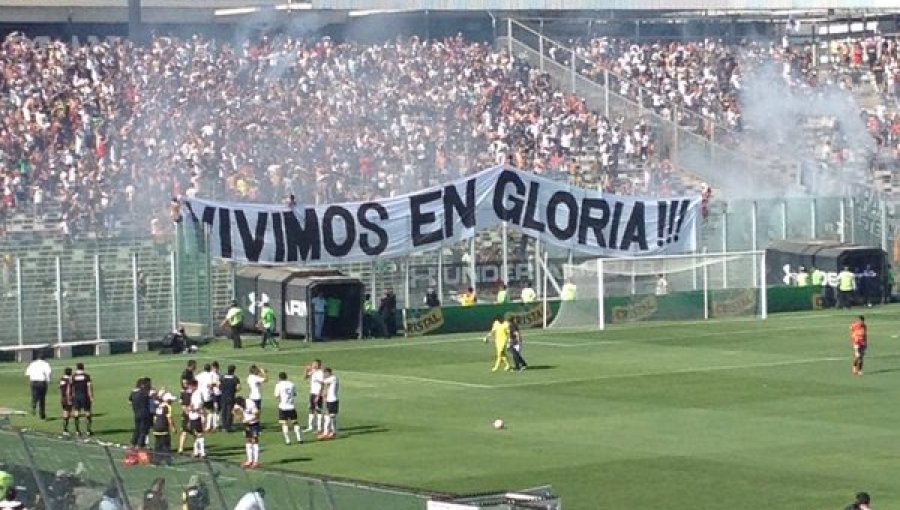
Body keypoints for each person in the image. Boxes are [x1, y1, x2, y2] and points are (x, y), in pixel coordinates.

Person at [274, 372, 302, 445]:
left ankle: (288, 441)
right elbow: (295, 394)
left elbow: (276, 396)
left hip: (283, 407)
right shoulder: (291, 384)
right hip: (291, 406)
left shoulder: (278, 385)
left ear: (279, 378)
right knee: (295, 422)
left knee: (284, 424)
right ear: (286, 377)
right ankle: (299, 439)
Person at [234, 397, 261, 469]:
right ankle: (249, 460)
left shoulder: (251, 403)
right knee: (248, 441)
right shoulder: (238, 404)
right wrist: (238, 416)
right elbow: (235, 410)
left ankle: (256, 462)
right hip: (246, 424)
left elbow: (257, 415)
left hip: (254, 424)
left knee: (254, 441)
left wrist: (248, 420)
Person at [151, 393, 177, 465]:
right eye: (171, 400)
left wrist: (155, 426)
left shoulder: (159, 406)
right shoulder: (167, 407)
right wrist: (173, 428)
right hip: (163, 427)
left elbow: (155, 418)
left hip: (156, 427)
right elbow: (169, 418)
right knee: (166, 444)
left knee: (157, 445)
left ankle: (156, 461)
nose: (172, 402)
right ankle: (168, 461)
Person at [25, 353, 51, 419]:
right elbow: (47, 373)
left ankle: (33, 406)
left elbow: (27, 373)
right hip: (41, 382)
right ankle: (42, 413)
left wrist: (29, 381)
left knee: (34, 396)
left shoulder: (32, 363)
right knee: (42, 398)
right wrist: (48, 381)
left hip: (33, 382)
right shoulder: (45, 364)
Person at [71, 362, 94, 437]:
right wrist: (91, 396)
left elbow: (71, 387)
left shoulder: (73, 376)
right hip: (85, 396)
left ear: (77, 368)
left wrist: (72, 396)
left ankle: (77, 430)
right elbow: (89, 387)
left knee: (76, 412)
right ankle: (88, 430)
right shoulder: (86, 376)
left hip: (76, 396)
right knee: (87, 412)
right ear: (83, 368)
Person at [129, 378, 152, 450]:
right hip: (144, 414)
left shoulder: (133, 393)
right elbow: (150, 397)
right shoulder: (143, 393)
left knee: (136, 429)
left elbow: (129, 402)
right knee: (143, 430)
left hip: (136, 413)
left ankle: (132, 443)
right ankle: (140, 445)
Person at [304, 360, 326, 434]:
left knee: (318, 410)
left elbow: (322, 384)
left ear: (319, 365)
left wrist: (319, 395)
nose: (313, 365)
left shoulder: (320, 373)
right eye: (313, 364)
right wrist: (306, 370)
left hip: (317, 393)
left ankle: (319, 428)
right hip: (312, 393)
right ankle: (310, 427)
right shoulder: (313, 371)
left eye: (315, 364)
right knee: (311, 409)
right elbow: (305, 377)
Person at [319, 368, 340, 440]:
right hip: (329, 400)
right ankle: (330, 432)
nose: (324, 375)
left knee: (330, 417)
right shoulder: (331, 379)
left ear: (328, 373)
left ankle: (328, 433)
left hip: (333, 400)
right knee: (329, 417)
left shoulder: (333, 378)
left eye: (325, 373)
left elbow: (323, 382)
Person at [219, 365, 240, 433]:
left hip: (223, 396)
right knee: (229, 411)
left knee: (224, 411)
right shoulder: (235, 378)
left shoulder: (222, 377)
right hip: (231, 396)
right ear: (234, 370)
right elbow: (238, 388)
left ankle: (224, 426)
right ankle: (228, 426)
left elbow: (219, 386)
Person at [59, 367, 73, 437]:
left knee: (65, 411)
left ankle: (65, 429)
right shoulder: (69, 380)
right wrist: (69, 399)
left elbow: (60, 388)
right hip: (67, 398)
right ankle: (65, 430)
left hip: (62, 397)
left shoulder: (62, 379)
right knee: (68, 413)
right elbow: (68, 390)